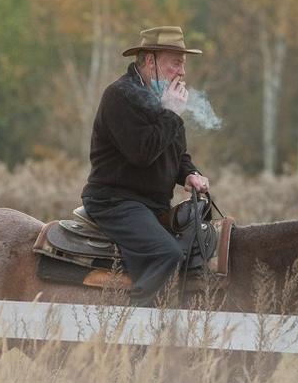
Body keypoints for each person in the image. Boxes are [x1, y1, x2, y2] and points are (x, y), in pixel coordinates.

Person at [81, 26, 210, 306]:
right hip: (115, 202)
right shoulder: (120, 96)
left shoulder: (163, 103)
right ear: (150, 61)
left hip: (151, 206)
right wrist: (170, 114)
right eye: (175, 62)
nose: (182, 72)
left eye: (183, 63)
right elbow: (142, 153)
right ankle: (136, 335)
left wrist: (189, 173)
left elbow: (175, 152)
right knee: (167, 254)